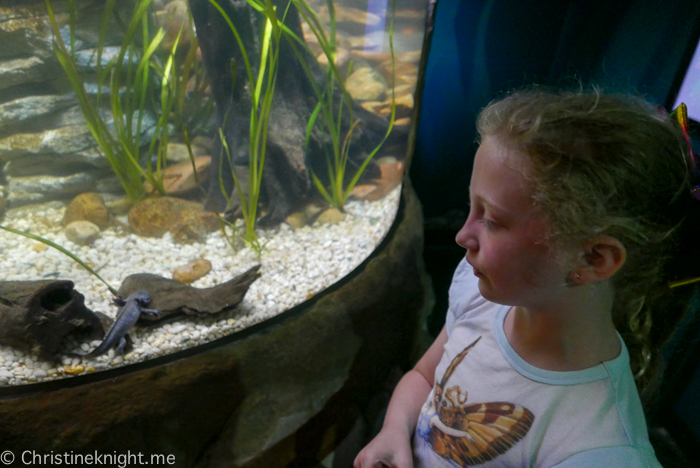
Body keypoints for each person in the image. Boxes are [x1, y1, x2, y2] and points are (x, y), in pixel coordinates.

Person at [354, 88, 700, 468]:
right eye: (472, 206)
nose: (462, 236)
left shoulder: (599, 449)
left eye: (492, 220)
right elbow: (424, 376)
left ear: (594, 258)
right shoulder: (484, 291)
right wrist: (393, 431)